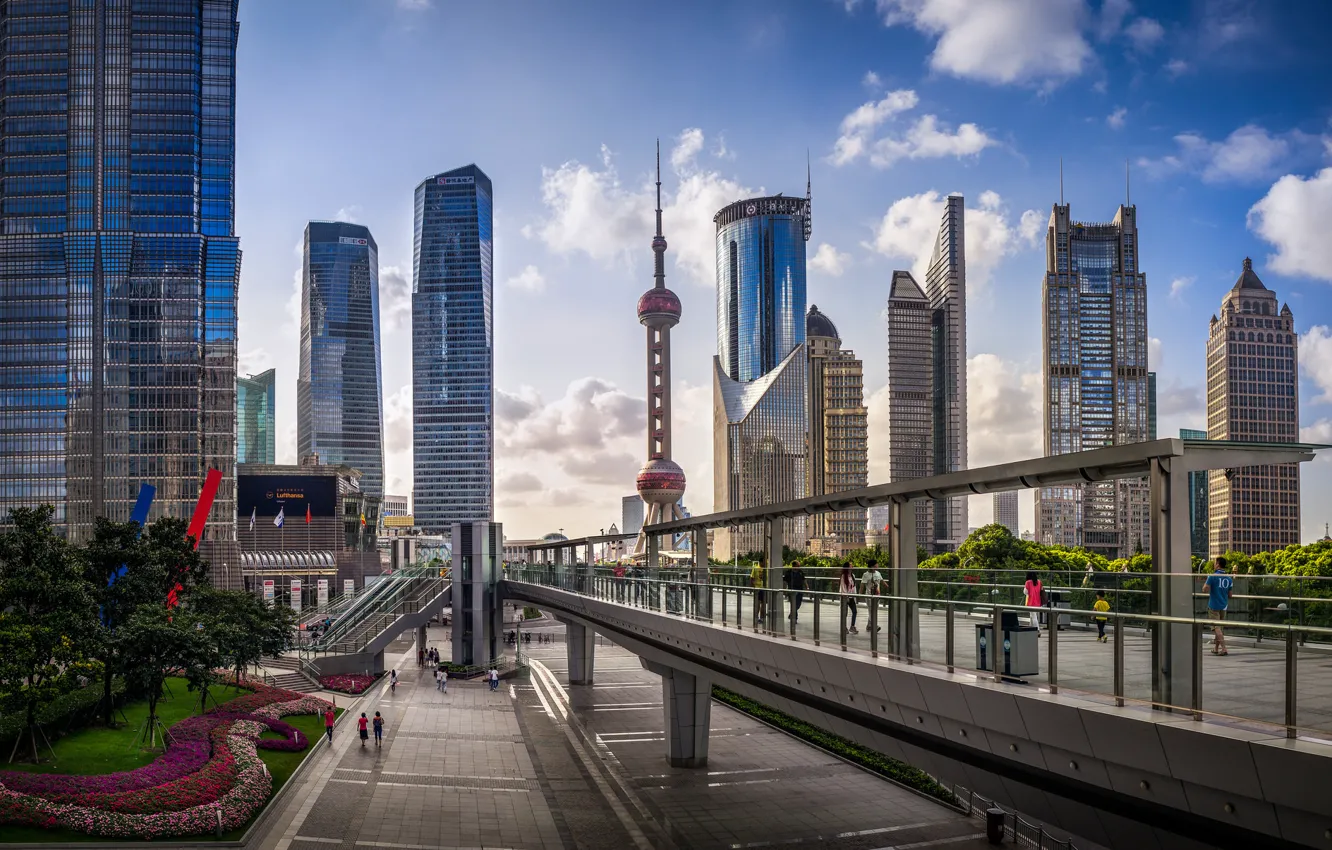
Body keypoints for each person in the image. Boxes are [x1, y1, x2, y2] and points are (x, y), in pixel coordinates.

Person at [1204, 557, 1233, 656]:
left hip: (1213, 605)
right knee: (1219, 628)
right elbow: (1230, 595)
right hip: (1224, 605)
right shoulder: (1229, 578)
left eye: (1214, 563)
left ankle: (1224, 648)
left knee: (1216, 628)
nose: (1213, 564)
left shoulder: (1212, 576)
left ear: (1217, 564)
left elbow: (1205, 589)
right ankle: (1216, 648)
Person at [860, 561, 884, 632]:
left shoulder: (878, 573)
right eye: (876, 564)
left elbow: (882, 581)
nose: (878, 565)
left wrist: (889, 587)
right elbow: (862, 585)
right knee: (871, 611)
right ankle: (874, 625)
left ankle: (869, 625)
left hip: (877, 595)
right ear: (872, 566)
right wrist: (859, 595)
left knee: (874, 611)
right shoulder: (865, 575)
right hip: (869, 596)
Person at [839, 563, 859, 635]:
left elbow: (854, 587)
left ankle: (852, 626)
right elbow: (843, 587)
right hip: (845, 596)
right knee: (845, 613)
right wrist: (846, 596)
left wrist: (855, 596)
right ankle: (844, 627)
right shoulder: (843, 576)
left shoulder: (853, 576)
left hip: (851, 596)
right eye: (851, 565)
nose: (852, 566)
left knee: (854, 611)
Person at [750, 557, 767, 624]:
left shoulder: (757, 568)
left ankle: (760, 618)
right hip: (759, 588)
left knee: (762, 604)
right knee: (759, 604)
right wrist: (753, 586)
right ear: (760, 562)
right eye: (763, 562)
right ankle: (758, 618)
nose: (765, 563)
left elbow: (751, 578)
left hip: (762, 588)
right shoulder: (757, 568)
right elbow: (751, 578)